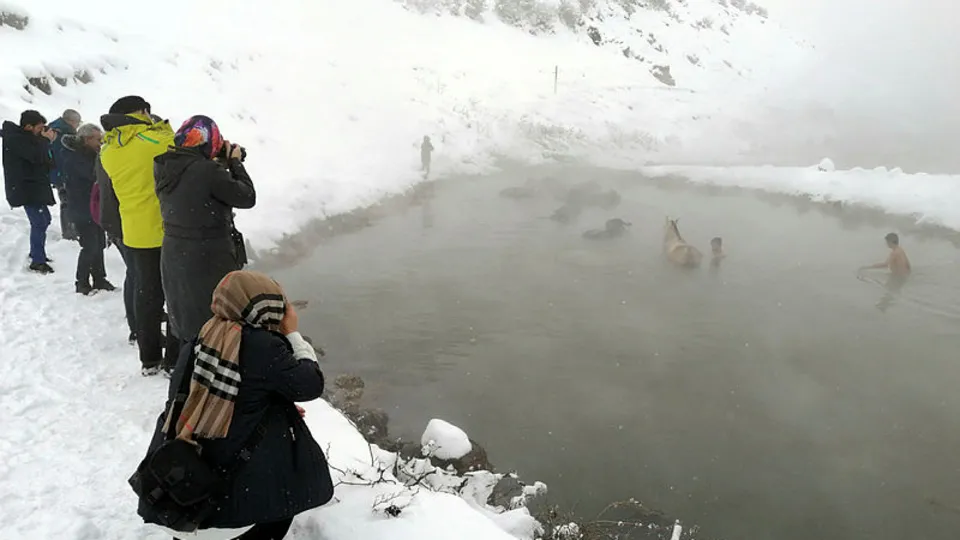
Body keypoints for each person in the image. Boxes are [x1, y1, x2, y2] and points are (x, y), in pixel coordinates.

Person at [139, 270, 333, 539]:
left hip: (179, 495)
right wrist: (293, 334)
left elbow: (232, 398)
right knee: (287, 496)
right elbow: (311, 384)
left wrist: (279, 410)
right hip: (224, 513)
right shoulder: (261, 346)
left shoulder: (202, 337)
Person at [154, 115, 255, 355]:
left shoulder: (164, 164)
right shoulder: (208, 171)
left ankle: (178, 362)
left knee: (184, 311)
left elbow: (195, 187)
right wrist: (235, 163)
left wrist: (218, 162)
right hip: (208, 253)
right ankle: (213, 364)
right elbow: (246, 197)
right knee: (214, 312)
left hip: (175, 249)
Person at [99, 95, 176, 375]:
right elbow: (176, 144)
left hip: (134, 232)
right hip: (163, 229)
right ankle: (174, 362)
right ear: (139, 113)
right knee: (175, 295)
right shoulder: (152, 143)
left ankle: (149, 358)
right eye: (147, 112)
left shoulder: (109, 150)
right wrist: (158, 125)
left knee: (147, 296)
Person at [62, 123, 115, 295]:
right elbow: (92, 175)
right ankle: (82, 281)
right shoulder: (75, 156)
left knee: (98, 244)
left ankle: (99, 278)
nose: (100, 143)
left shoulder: (91, 154)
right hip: (82, 208)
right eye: (97, 140)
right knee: (90, 246)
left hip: (94, 206)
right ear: (86, 139)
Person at [2, 110, 57, 273]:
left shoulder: (30, 139)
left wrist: (45, 141)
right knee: (39, 222)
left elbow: (46, 160)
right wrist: (45, 141)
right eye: (39, 128)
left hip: (34, 187)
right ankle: (37, 261)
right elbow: (35, 157)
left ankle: (36, 253)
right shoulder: (16, 140)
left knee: (44, 219)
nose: (42, 131)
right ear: (28, 127)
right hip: (26, 189)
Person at [49, 109, 82, 241]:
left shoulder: (53, 129)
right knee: (68, 202)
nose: (77, 126)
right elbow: (62, 157)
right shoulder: (63, 133)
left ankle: (71, 230)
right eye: (77, 123)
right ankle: (70, 233)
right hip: (64, 174)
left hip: (57, 173)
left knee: (67, 201)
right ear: (71, 121)